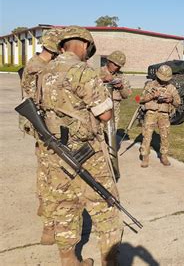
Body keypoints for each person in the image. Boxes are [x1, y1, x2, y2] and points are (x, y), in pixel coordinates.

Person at [40, 26, 123, 265]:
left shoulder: (44, 72)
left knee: (65, 206)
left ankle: (69, 260)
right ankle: (110, 260)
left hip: (56, 151)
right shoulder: (82, 71)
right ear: (85, 46)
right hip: (86, 152)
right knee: (105, 204)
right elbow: (105, 115)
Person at [20, 28, 62, 245]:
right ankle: (49, 226)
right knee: (51, 173)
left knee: (43, 168)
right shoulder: (41, 67)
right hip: (45, 126)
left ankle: (43, 205)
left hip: (39, 125)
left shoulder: (33, 63)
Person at [138, 64, 181, 168]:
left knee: (165, 135)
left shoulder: (171, 88)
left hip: (164, 114)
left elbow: (178, 103)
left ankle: (164, 156)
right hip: (151, 113)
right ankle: (145, 156)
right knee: (147, 135)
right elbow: (139, 99)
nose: (164, 81)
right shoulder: (149, 85)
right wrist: (152, 95)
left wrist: (170, 99)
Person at [99, 50, 132, 128]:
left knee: (112, 134)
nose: (116, 67)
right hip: (99, 108)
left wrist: (121, 87)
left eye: (119, 66)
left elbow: (126, 95)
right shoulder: (98, 72)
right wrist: (102, 80)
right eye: (114, 64)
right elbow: (86, 88)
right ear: (109, 61)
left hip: (114, 111)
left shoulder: (122, 76)